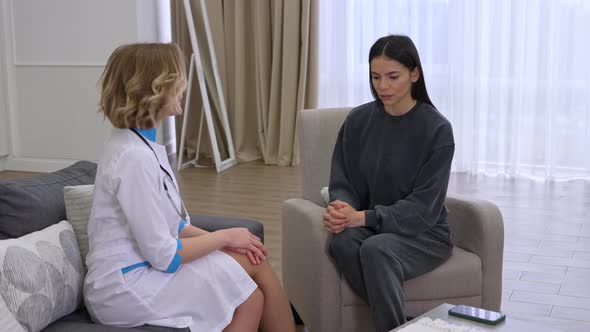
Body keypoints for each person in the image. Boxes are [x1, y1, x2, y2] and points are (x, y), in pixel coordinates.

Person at [84, 43, 295, 332]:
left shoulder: (141, 145)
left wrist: (230, 240)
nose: (183, 87)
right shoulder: (132, 158)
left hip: (141, 269)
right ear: (155, 89)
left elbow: (175, 224)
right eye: (178, 80)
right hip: (124, 288)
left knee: (252, 285)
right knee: (251, 285)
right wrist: (223, 237)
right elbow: (165, 256)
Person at [324, 35, 455, 332]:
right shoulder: (357, 121)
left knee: (376, 249)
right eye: (375, 77)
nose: (382, 86)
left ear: (414, 74)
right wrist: (342, 206)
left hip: (425, 234)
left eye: (393, 77)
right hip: (372, 225)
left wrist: (364, 217)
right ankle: (404, 326)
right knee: (343, 241)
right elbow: (343, 178)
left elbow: (423, 208)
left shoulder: (437, 130)